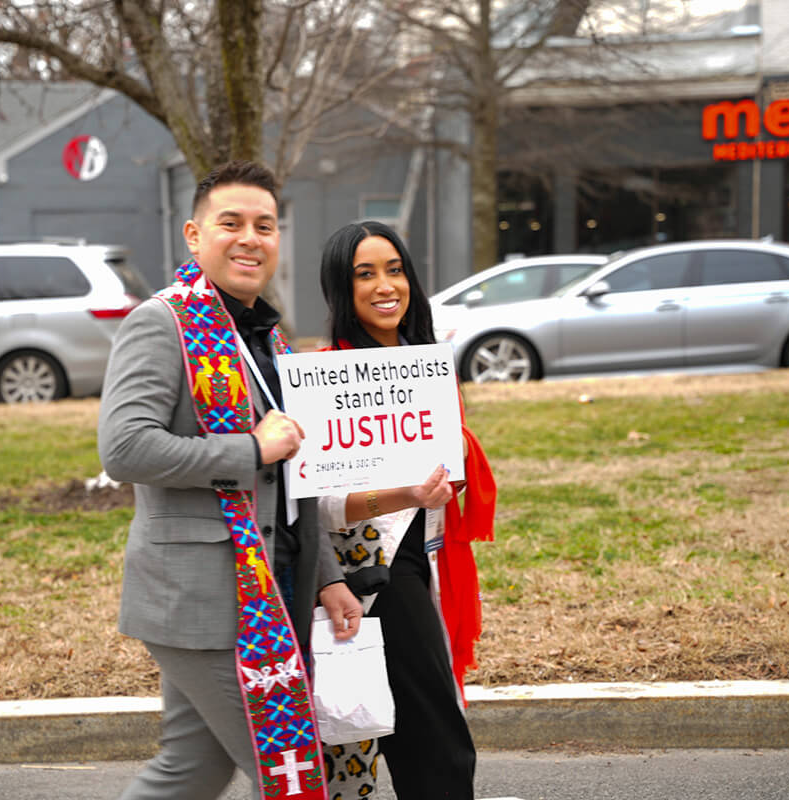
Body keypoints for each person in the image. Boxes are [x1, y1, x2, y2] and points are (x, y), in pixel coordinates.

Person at [99, 160, 364, 800]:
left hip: (270, 586)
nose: (251, 238)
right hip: (205, 601)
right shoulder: (162, 322)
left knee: (191, 771)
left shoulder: (268, 336)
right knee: (292, 774)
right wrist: (250, 448)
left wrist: (328, 576)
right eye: (232, 223)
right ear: (195, 236)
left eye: (265, 226)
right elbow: (125, 449)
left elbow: (295, 474)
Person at [315, 221, 496, 800]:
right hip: (372, 578)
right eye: (364, 274)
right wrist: (406, 495)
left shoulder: (428, 365)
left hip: (430, 562)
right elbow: (322, 506)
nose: (385, 285)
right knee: (429, 745)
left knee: (414, 736)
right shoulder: (325, 375)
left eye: (394, 269)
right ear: (342, 290)